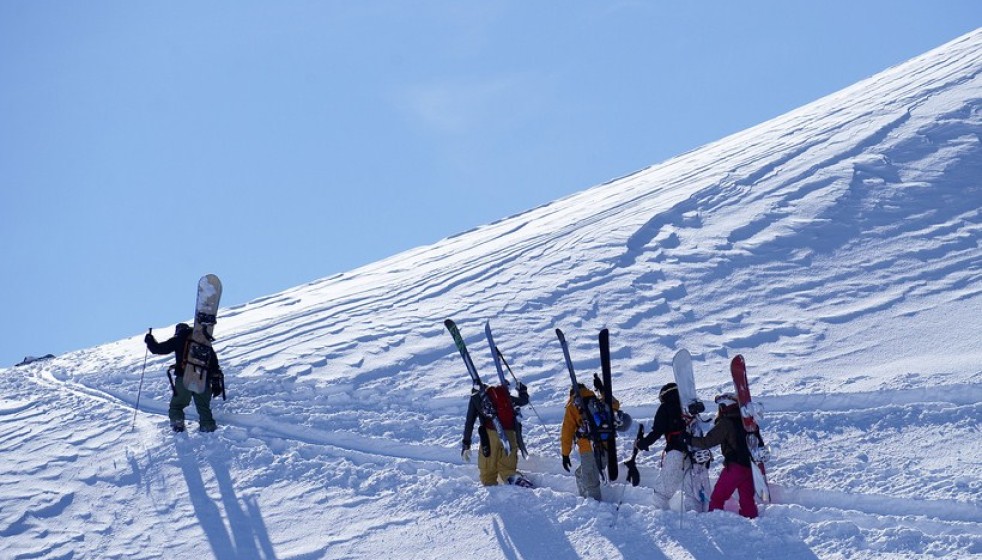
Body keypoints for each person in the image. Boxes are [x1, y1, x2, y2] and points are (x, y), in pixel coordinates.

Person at [634, 382, 704, 511]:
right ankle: (695, 515)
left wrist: (641, 443)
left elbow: (657, 432)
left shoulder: (665, 408)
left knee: (663, 491)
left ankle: (660, 517)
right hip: (693, 453)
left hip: (676, 453)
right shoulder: (689, 407)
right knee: (691, 489)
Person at [689, 393, 760, 518]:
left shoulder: (726, 423)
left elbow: (707, 442)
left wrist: (688, 439)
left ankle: (715, 523)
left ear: (724, 406)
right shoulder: (749, 422)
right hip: (750, 468)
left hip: (735, 468)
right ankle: (752, 524)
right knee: (747, 501)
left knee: (718, 497)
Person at [145, 323, 223, 433]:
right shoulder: (204, 341)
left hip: (184, 379)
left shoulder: (178, 339)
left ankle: (178, 425)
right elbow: (214, 363)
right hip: (203, 379)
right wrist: (215, 381)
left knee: (177, 405)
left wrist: (149, 340)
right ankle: (208, 427)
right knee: (203, 407)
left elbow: (159, 349)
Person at [461, 381, 530, 486]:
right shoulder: (502, 397)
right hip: (510, 434)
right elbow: (523, 401)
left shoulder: (477, 398)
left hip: (490, 435)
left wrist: (466, 444)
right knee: (508, 469)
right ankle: (517, 481)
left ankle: (492, 495)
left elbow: (469, 421)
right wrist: (523, 390)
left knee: (488, 473)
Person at [560, 382, 620, 501]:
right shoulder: (596, 400)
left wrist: (565, 455)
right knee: (581, 473)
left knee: (590, 479)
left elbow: (567, 433)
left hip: (588, 448)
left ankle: (595, 505)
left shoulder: (573, 405)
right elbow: (615, 405)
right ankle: (584, 499)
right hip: (605, 446)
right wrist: (602, 389)